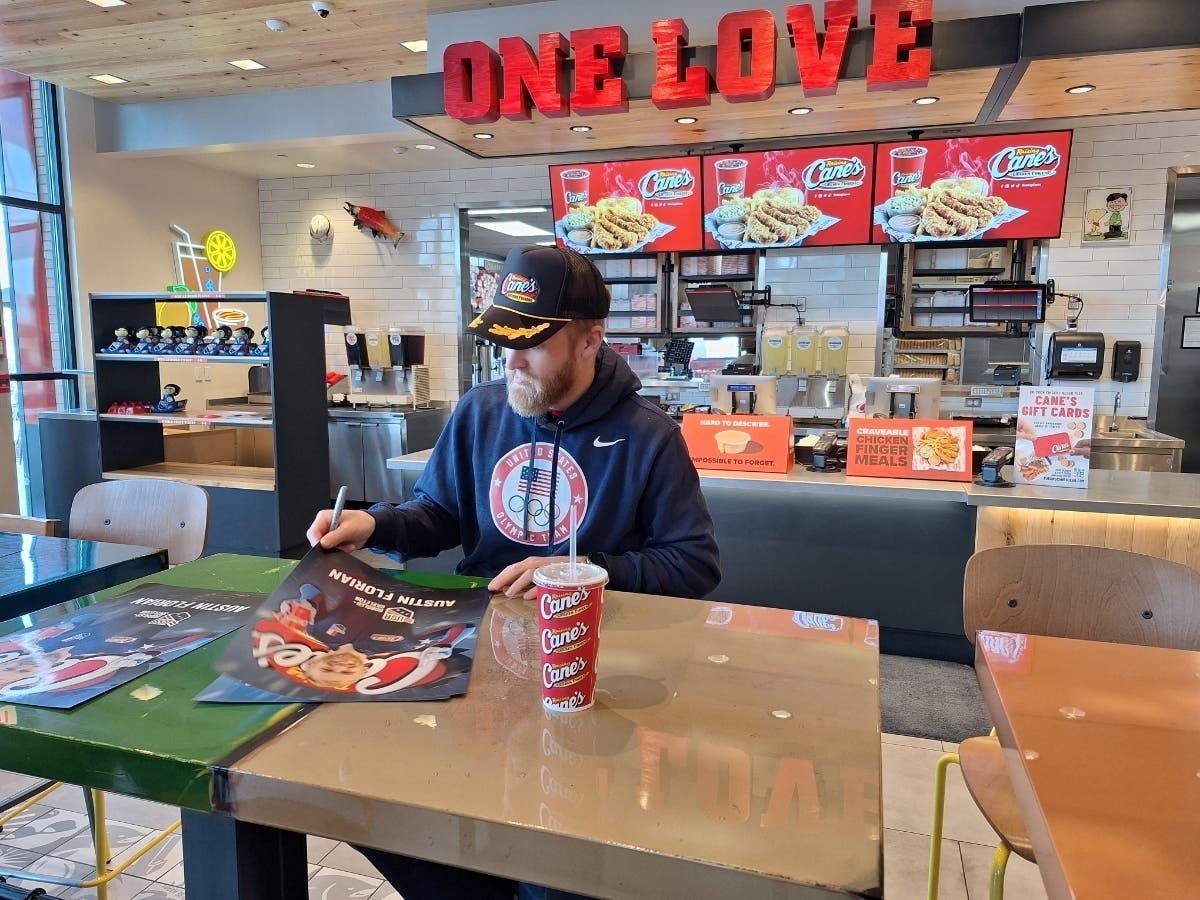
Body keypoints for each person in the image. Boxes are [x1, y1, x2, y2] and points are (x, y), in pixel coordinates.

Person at [307, 244, 721, 900]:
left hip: (591, 673)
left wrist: (583, 571)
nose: (511, 360)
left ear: (591, 340)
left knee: (553, 869)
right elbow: (438, 514)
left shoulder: (649, 437)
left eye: (530, 344)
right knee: (378, 806)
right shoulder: (481, 410)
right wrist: (376, 524)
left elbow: (694, 563)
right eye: (502, 340)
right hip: (475, 660)